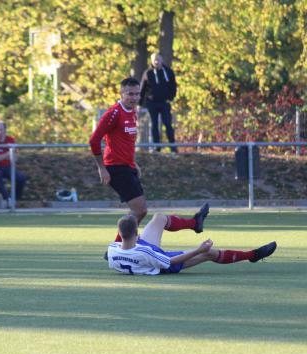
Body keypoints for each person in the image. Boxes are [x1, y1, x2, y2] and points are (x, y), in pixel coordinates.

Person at [107, 204, 277, 275]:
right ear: (137, 232)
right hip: (158, 264)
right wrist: (198, 250)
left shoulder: (112, 250)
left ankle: (196, 223)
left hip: (138, 253)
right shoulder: (143, 251)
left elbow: (121, 245)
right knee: (209, 253)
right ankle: (252, 255)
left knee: (159, 218)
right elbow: (170, 261)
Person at [89, 77, 147, 242]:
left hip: (127, 166)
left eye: (137, 94)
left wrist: (133, 162)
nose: (134, 98)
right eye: (130, 94)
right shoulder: (114, 113)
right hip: (116, 167)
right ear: (121, 93)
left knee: (138, 211)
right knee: (140, 210)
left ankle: (118, 247)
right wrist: (102, 168)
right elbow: (94, 140)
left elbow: (124, 140)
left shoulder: (133, 111)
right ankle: (118, 247)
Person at [139, 53, 177, 153]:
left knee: (168, 124)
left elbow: (173, 86)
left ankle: (173, 146)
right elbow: (142, 88)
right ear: (151, 61)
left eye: (158, 60)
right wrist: (139, 103)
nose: (156, 62)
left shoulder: (168, 72)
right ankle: (156, 147)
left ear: (162, 60)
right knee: (154, 125)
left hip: (164, 102)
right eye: (154, 60)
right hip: (152, 103)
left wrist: (171, 98)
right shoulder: (148, 73)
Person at [0, 121, 26, 208]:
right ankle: (7, 199)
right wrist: (7, 154)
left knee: (21, 177)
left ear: (5, 130)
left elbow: (15, 158)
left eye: (1, 129)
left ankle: (14, 199)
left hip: (8, 167)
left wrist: (2, 156)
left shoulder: (11, 140)